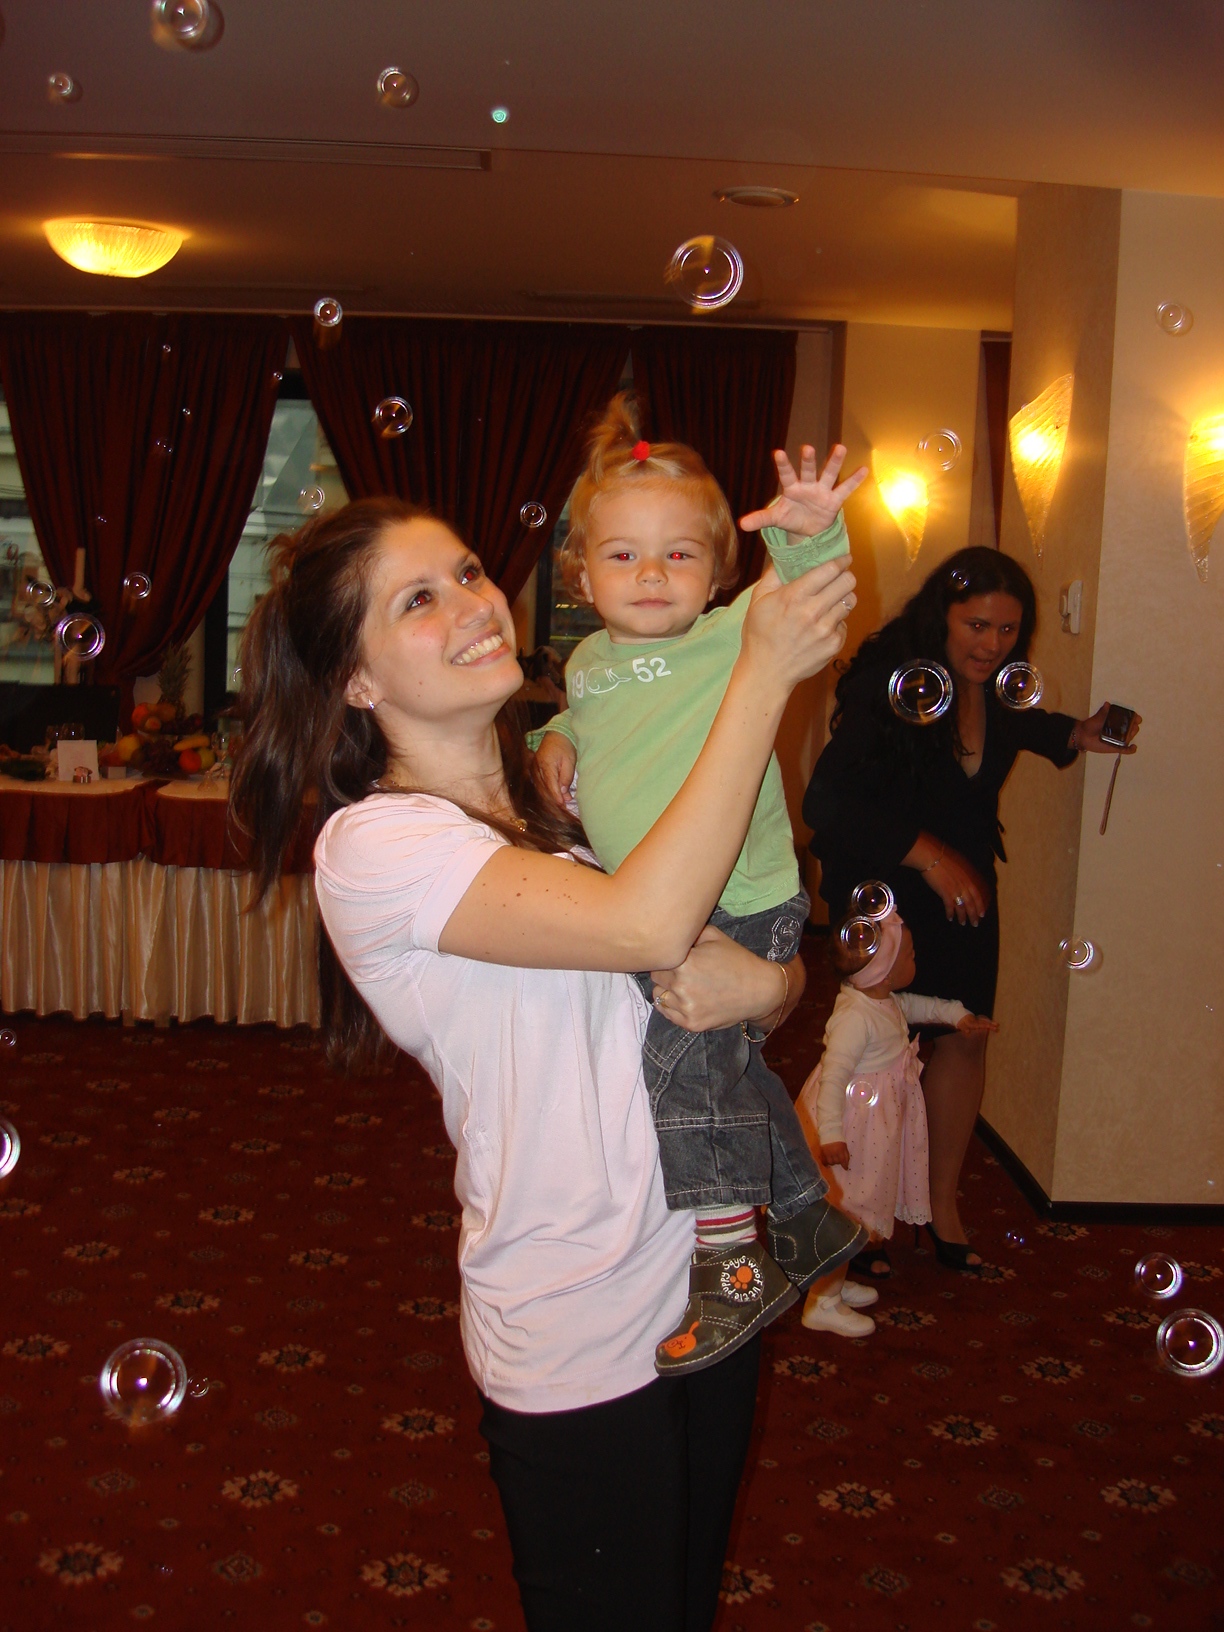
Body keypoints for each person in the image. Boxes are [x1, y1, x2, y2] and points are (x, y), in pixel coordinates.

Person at [229, 495, 857, 1631]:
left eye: (470, 571)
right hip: (577, 1318)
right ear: (356, 681)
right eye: (418, 600)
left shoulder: (567, 797)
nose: (475, 604)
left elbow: (733, 966)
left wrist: (773, 987)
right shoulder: (378, 846)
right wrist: (760, 676)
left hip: (707, 1272)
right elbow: (646, 927)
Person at [532, 395, 869, 1373]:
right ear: (581, 573)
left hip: (739, 897)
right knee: (725, 1071)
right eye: (624, 554)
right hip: (660, 901)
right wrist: (554, 735)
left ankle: (731, 1266)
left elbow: (807, 592)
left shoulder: (728, 637)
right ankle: (807, 1219)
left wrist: (810, 533)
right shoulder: (588, 661)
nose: (651, 574)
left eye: (679, 553)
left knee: (680, 1073)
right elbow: (592, 719)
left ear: (719, 568)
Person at [803, 547, 1139, 1272]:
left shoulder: (998, 692)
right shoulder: (887, 682)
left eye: (1008, 630)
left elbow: (1022, 725)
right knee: (873, 1050)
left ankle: (941, 1205)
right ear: (943, 617)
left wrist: (1077, 734)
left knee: (965, 1035)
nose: (992, 645)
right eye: (976, 626)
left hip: (966, 893)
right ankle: (857, 1209)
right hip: (886, 888)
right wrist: (928, 854)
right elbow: (827, 800)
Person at [797, 906, 996, 1333]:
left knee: (860, 1207)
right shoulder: (854, 1018)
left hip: (873, 1129)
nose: (915, 959)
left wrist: (957, 1015)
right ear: (885, 973)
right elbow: (833, 1078)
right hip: (852, 1128)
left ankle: (835, 1285)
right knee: (848, 1210)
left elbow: (917, 1006)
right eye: (909, 955)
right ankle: (821, 1302)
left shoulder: (882, 1001)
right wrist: (831, 1135)